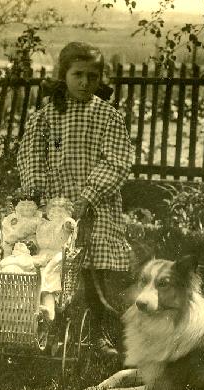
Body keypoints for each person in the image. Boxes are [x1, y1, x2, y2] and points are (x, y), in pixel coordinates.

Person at [16, 41, 134, 353]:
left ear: (100, 78)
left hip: (98, 206)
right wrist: (38, 196)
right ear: (63, 75)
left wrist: (88, 197)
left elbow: (117, 161)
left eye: (92, 76)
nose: (84, 82)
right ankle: (51, 331)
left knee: (96, 272)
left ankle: (97, 336)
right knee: (55, 269)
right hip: (56, 212)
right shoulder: (46, 117)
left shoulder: (108, 116)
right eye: (78, 74)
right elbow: (32, 156)